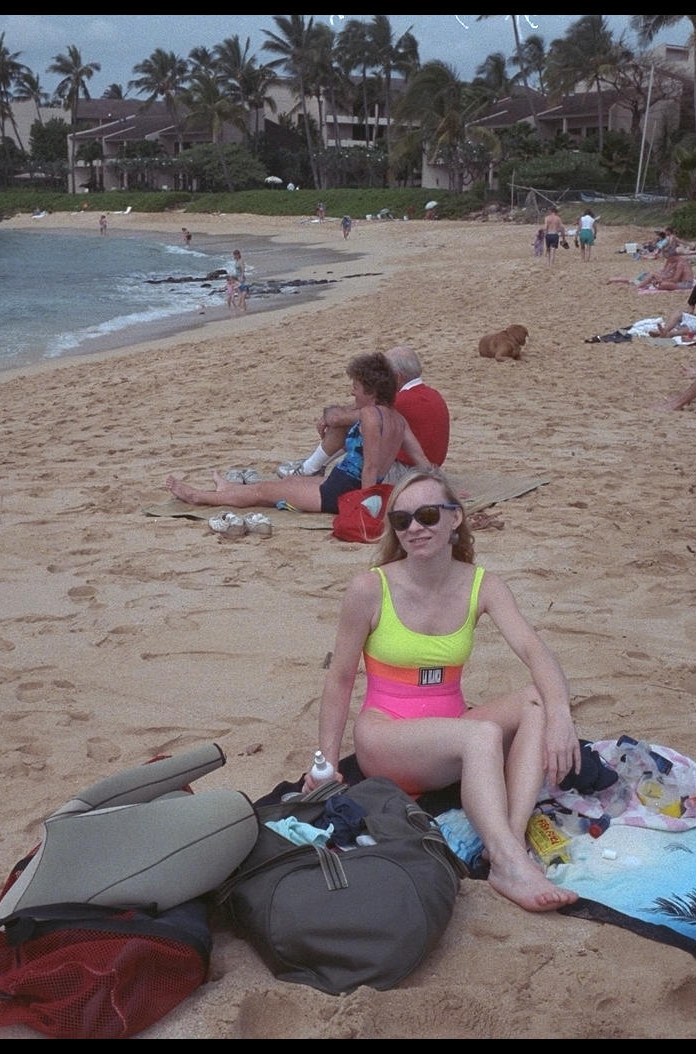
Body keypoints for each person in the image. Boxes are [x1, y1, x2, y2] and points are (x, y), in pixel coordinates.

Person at [303, 469, 580, 912]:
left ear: (456, 518)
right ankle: (511, 860)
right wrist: (326, 766)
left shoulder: (482, 584)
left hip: (451, 733)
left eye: (428, 515)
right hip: (387, 736)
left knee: (536, 699)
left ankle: (505, 847)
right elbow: (339, 679)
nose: (415, 527)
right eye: (402, 520)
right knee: (482, 735)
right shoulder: (370, 588)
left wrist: (561, 715)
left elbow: (533, 649)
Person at [166, 353, 422, 513]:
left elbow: (370, 467)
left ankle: (197, 497)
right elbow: (424, 463)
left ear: (372, 391)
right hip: (342, 483)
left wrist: (366, 508)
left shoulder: (370, 415)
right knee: (286, 483)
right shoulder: (399, 421)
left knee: (261, 492)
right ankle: (227, 488)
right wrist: (439, 489)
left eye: (355, 387)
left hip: (342, 491)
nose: (352, 392)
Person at [284, 346, 447, 486]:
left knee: (350, 428)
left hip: (406, 472)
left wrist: (328, 416)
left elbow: (341, 418)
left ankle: (309, 470)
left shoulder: (401, 401)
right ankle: (311, 468)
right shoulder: (433, 394)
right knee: (360, 427)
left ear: (396, 378)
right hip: (424, 467)